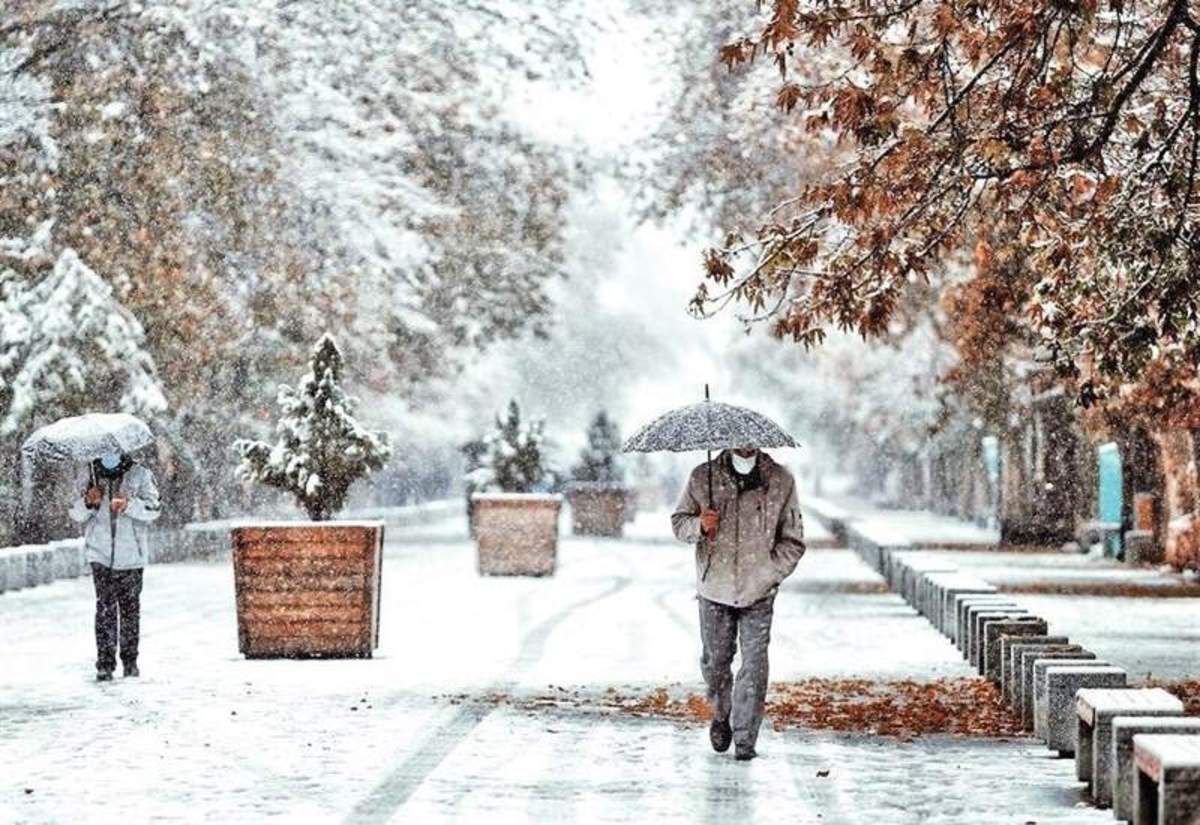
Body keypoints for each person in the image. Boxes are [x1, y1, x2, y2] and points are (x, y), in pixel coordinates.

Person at [671, 447, 806, 761]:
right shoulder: (702, 477)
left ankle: (745, 738)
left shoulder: (781, 481)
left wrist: (770, 572)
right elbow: (679, 523)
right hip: (714, 587)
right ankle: (721, 714)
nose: (744, 445)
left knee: (754, 664)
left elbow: (794, 540)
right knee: (715, 661)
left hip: (759, 591)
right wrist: (700, 526)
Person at [68, 451, 161, 681]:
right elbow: (75, 512)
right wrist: (89, 501)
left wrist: (129, 505)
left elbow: (154, 509)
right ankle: (105, 663)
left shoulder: (140, 475)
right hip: (100, 555)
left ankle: (130, 662)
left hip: (131, 557)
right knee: (105, 610)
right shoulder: (88, 474)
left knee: (130, 611)